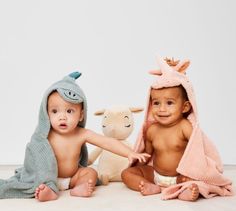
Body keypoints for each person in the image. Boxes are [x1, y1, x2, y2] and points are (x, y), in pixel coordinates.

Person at [0, 72, 150, 202]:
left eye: (70, 111)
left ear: (81, 115)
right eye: (55, 111)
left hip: (72, 179)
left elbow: (107, 142)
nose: (62, 117)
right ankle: (49, 191)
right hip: (47, 178)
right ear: (46, 114)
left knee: (90, 172)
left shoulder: (81, 134)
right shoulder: (44, 136)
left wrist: (130, 153)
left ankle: (80, 187)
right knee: (43, 181)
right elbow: (35, 158)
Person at [122, 57, 202, 201]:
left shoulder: (184, 127)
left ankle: (184, 189)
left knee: (194, 179)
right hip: (155, 175)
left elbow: (197, 150)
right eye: (156, 103)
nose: (162, 109)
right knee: (126, 174)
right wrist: (136, 162)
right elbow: (147, 155)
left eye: (169, 103)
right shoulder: (152, 130)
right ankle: (146, 184)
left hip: (179, 176)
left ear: (185, 107)